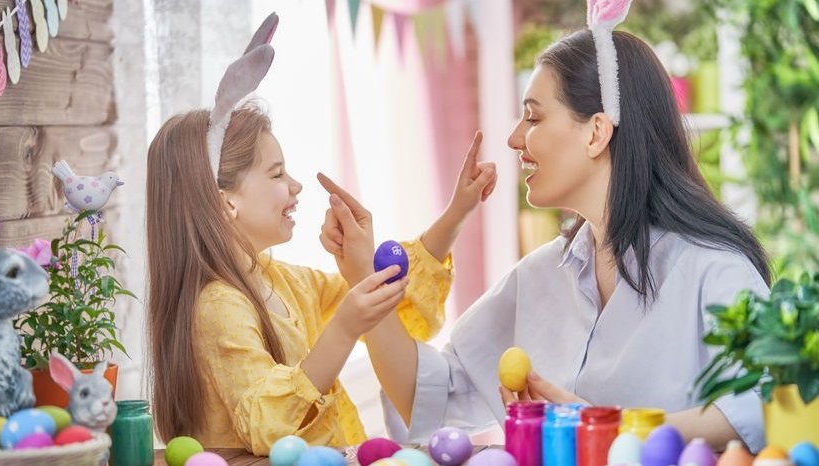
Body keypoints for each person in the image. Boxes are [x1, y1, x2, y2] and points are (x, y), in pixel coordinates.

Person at [320, 28, 770, 453]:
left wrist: (606, 426)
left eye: (533, 116)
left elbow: (763, 405)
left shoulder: (715, 268)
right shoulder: (539, 276)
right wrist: (361, 273)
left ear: (596, 132)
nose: (515, 138)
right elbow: (430, 393)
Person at [145, 15, 496, 456]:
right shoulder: (218, 307)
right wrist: (344, 327)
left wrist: (455, 214)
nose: (295, 186)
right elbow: (266, 429)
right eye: (277, 174)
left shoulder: (282, 281)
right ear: (225, 203)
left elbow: (388, 310)